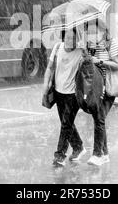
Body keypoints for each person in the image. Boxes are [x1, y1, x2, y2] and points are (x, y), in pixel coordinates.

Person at [42, 27, 86, 167]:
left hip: (73, 95)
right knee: (66, 123)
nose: (69, 41)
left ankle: (59, 155)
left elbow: (89, 66)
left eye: (72, 38)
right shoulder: (57, 48)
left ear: (76, 40)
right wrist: (45, 84)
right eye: (67, 37)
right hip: (58, 92)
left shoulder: (80, 52)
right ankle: (78, 146)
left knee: (66, 124)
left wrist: (86, 51)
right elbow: (49, 68)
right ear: (63, 38)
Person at [86, 22, 118, 166]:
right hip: (95, 88)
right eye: (89, 32)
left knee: (99, 117)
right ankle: (105, 153)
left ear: (102, 31)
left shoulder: (110, 43)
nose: (91, 35)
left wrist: (100, 60)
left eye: (94, 32)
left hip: (108, 87)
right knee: (98, 118)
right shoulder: (90, 46)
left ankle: (97, 154)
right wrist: (88, 55)